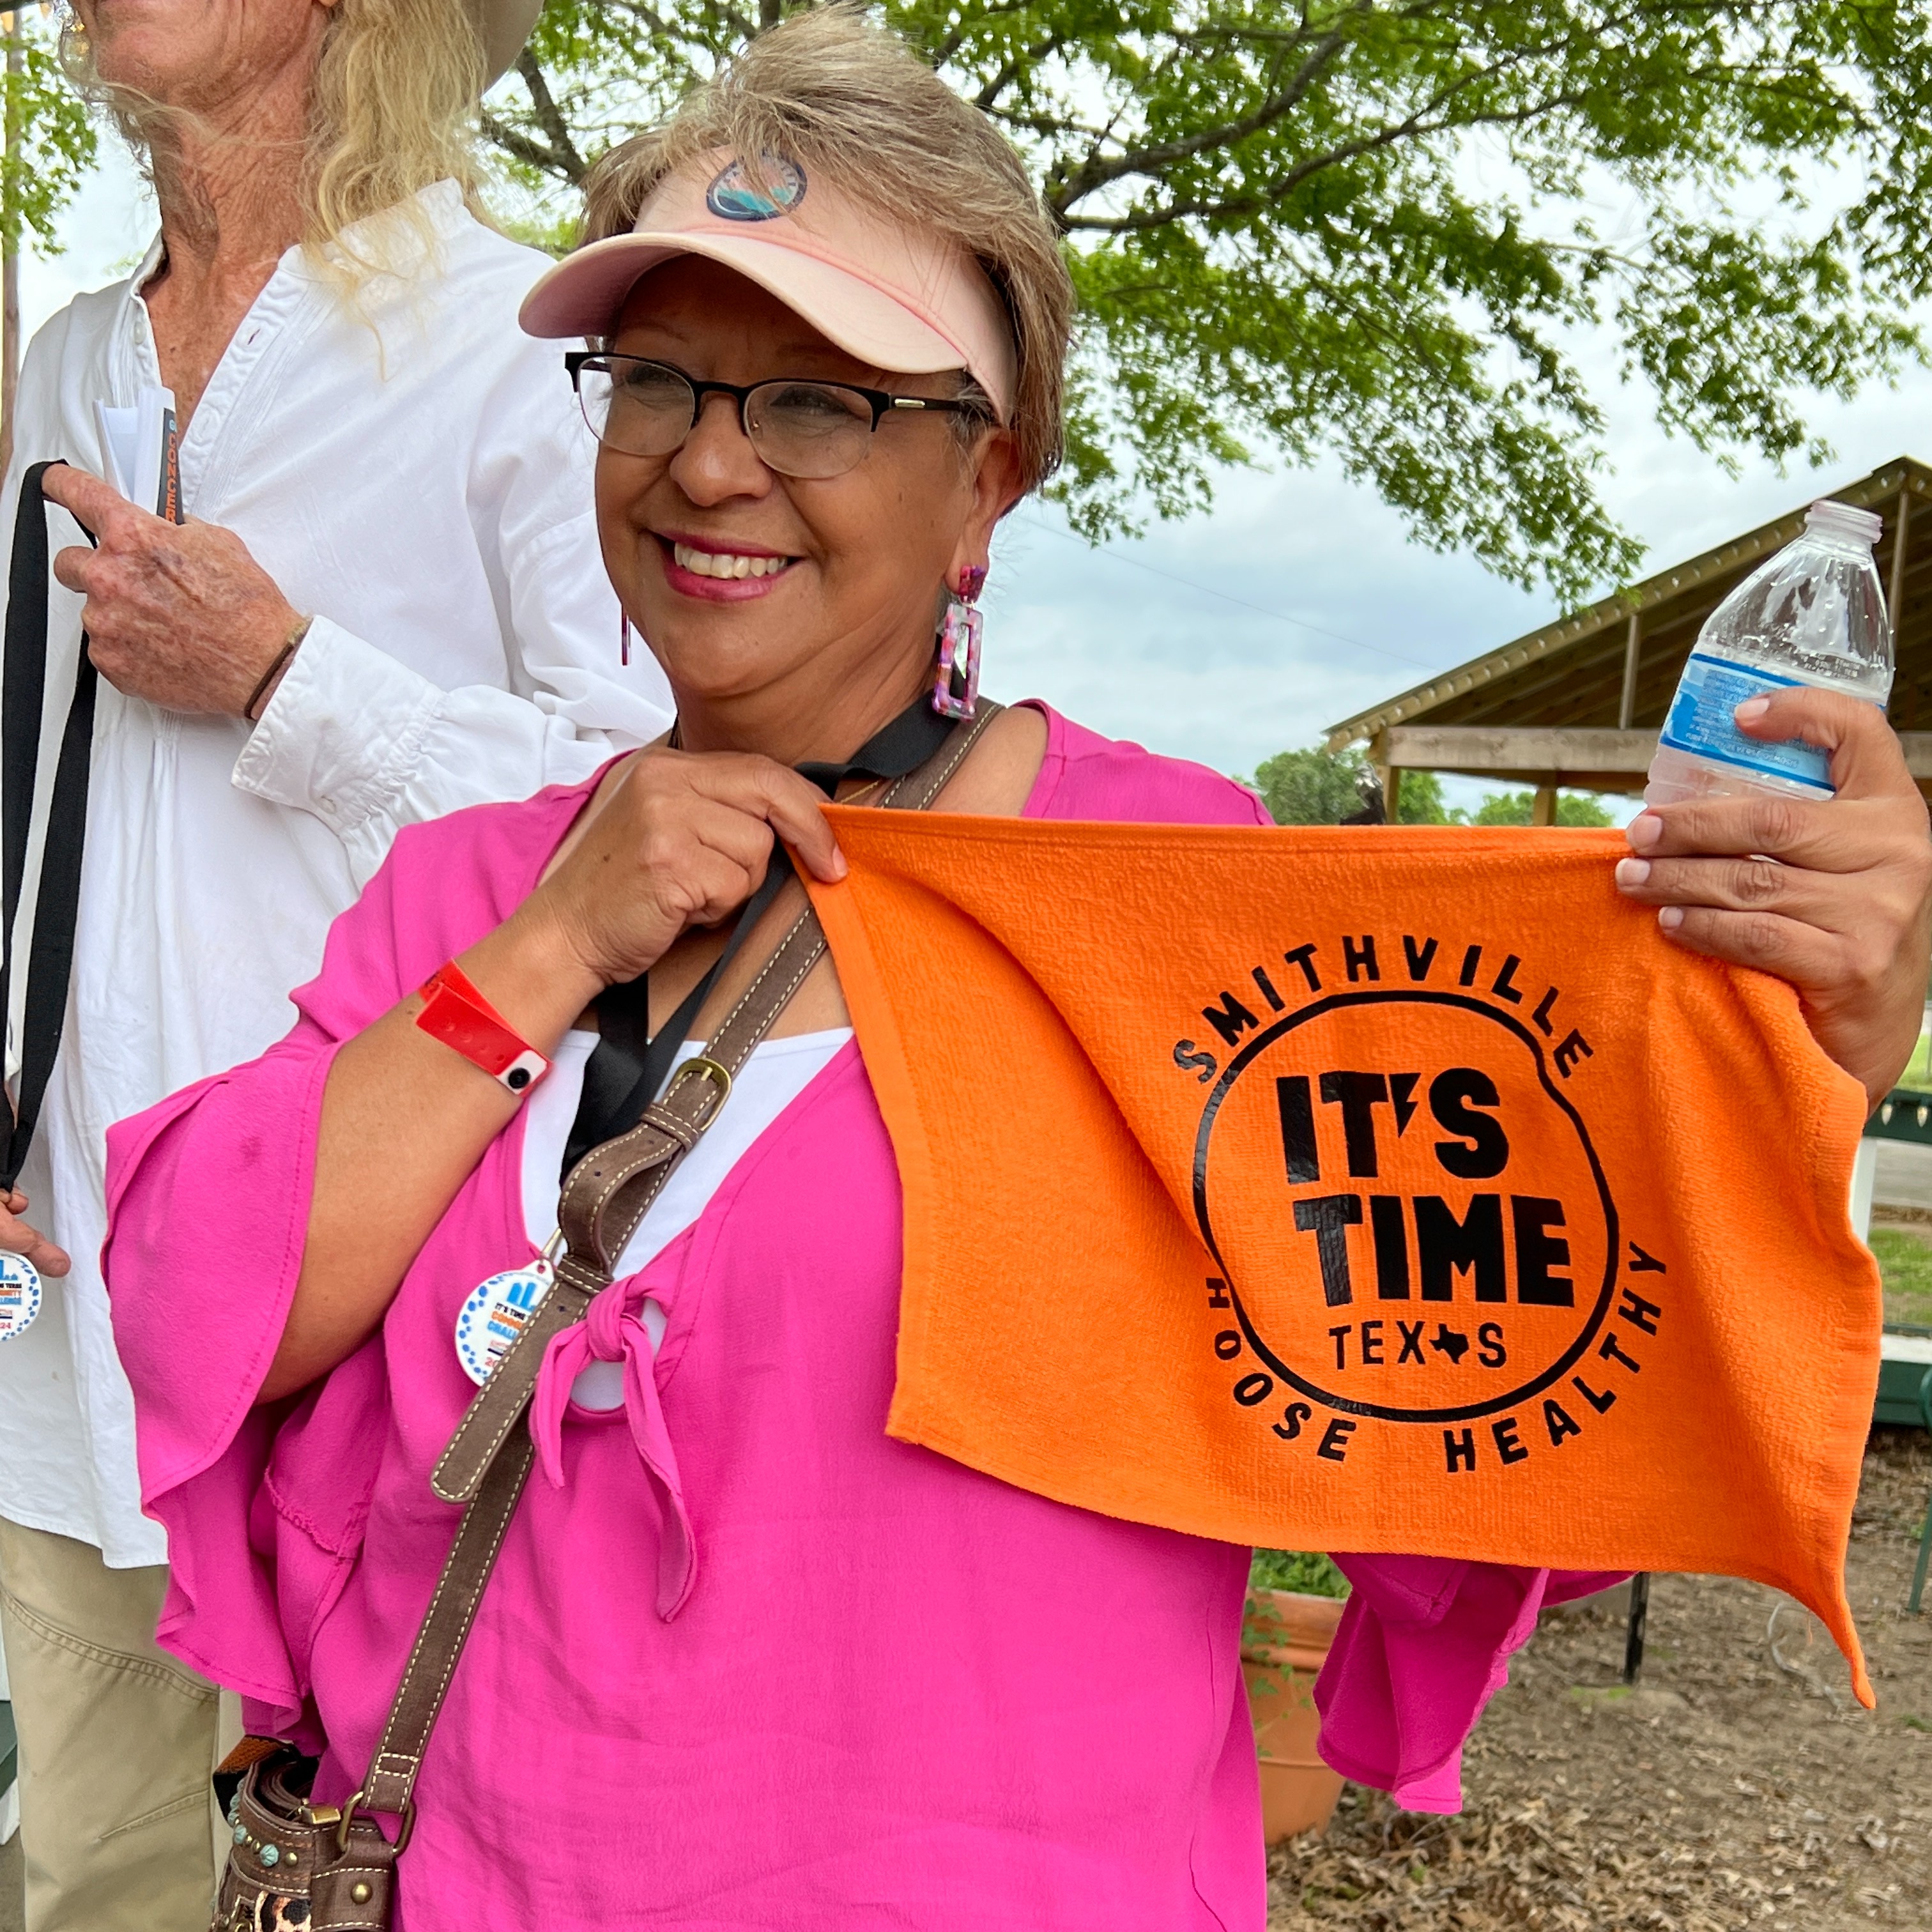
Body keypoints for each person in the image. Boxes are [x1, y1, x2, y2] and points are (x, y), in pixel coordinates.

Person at [101, 12, 1932, 1928]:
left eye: (821, 400)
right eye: (660, 381)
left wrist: (1800, 1040)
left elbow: (1507, 1345)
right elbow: (210, 1303)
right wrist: (556, 943)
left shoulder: (1178, 898)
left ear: (991, 481)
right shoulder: (467, 888)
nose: (710, 462)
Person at [0, 1, 671, 1925]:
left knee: (419, 1871)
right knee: (96, 1873)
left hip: (388, 1293)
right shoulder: (67, 360)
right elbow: (33, 795)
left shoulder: (528, 343)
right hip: (71, 1302)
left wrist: (294, 687)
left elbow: (655, 800)